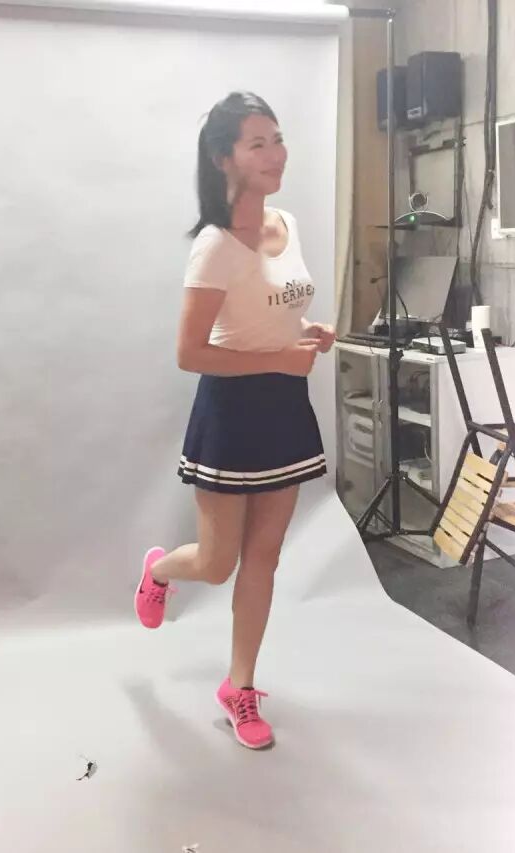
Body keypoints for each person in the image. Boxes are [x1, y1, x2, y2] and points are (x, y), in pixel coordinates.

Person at [134, 92, 335, 750]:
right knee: (218, 563)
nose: (276, 154)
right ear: (224, 158)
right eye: (258, 144)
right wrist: (280, 356)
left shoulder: (287, 223)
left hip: (285, 408)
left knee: (264, 559)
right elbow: (190, 352)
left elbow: (271, 310)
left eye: (278, 139)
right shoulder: (214, 246)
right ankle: (160, 572)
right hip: (231, 412)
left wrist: (307, 332)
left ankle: (239, 686)